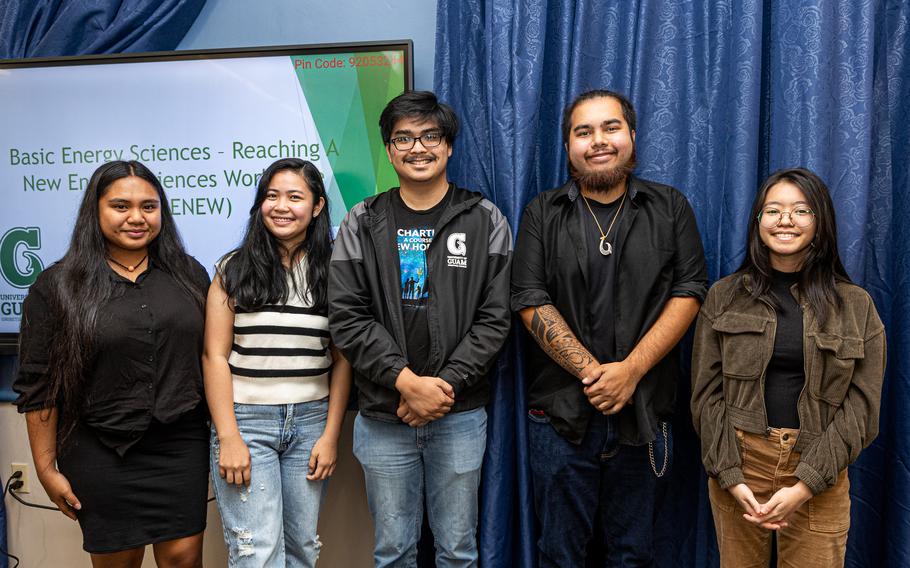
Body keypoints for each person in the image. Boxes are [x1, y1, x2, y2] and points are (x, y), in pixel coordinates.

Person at [511, 89, 708, 566]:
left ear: (632, 136)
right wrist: (595, 375)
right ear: (568, 147)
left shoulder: (670, 207)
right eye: (584, 132)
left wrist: (631, 372)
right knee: (559, 554)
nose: (598, 141)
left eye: (610, 127)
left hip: (645, 414)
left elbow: (691, 290)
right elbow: (529, 299)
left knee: (634, 555)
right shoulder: (542, 212)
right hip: (560, 420)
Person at [328, 90, 512, 567]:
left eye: (430, 136)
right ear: (389, 150)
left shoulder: (484, 218)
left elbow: (496, 319)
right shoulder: (362, 221)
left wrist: (442, 388)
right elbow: (347, 316)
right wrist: (407, 383)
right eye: (403, 138)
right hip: (384, 417)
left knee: (457, 551)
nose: (418, 147)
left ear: (448, 146)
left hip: (460, 415)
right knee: (393, 552)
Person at [13, 160, 211, 567]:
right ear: (95, 211)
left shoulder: (189, 274)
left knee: (184, 560)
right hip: (99, 449)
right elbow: (39, 386)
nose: (136, 218)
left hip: (180, 445)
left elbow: (211, 359)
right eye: (121, 206)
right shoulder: (58, 285)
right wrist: (46, 469)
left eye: (149, 206)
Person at [691, 168, 886, 567]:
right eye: (773, 209)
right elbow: (705, 396)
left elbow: (863, 409)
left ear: (820, 223)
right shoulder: (724, 297)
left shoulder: (856, 305)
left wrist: (805, 484)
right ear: (758, 220)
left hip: (820, 468)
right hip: (741, 466)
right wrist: (729, 474)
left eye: (801, 210)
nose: (785, 220)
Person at [204, 158, 352, 567]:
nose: (281, 206)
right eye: (271, 196)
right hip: (246, 422)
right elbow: (213, 356)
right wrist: (228, 436)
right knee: (257, 552)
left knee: (303, 549)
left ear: (318, 207)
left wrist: (330, 435)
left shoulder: (337, 270)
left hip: (310, 423)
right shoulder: (232, 269)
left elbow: (342, 361)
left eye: (294, 197)